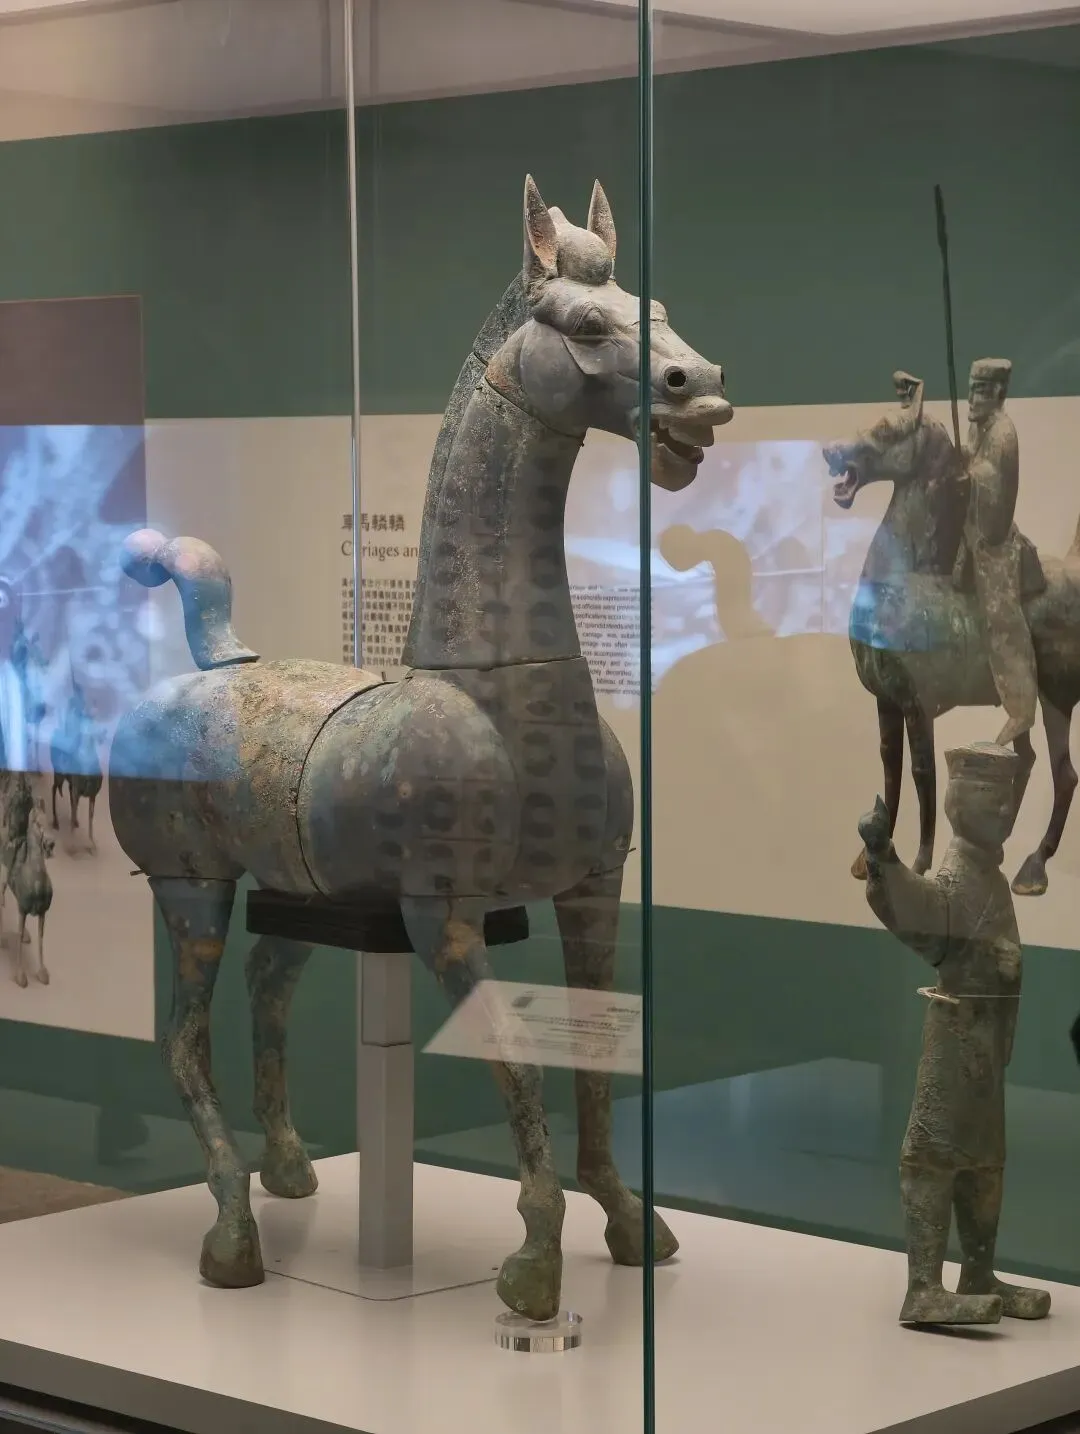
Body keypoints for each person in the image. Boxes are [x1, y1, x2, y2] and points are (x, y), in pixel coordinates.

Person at [860, 742, 1050, 1325]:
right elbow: (926, 913)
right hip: (955, 1035)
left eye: (1009, 798)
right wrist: (884, 857)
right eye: (993, 796)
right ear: (959, 803)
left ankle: (978, 1273)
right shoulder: (959, 875)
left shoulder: (991, 878)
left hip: (985, 1039)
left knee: (984, 1161)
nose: (1005, 809)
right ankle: (923, 1288)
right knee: (934, 1155)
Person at [953, 359, 1042, 745]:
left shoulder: (1004, 433)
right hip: (970, 531)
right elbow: (972, 458)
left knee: (1001, 615)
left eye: (980, 391)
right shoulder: (978, 424)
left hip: (995, 541)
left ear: (999, 393)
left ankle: (1020, 707)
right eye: (970, 389)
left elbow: (994, 484)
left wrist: (970, 474)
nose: (971, 399)